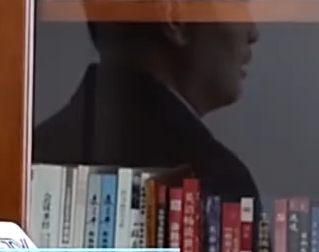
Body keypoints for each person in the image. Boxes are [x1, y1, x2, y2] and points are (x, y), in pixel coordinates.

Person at [32, 19, 261, 202]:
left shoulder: (35, 154)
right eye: (237, 4)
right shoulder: (213, 180)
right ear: (176, 21)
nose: (254, 32)